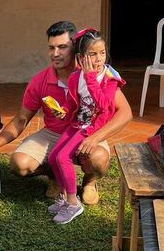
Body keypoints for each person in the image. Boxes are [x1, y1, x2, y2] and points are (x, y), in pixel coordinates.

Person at [0, 21, 132, 204]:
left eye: (62, 47)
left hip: (88, 130)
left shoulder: (96, 75)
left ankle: (90, 181)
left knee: (98, 158)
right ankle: (56, 177)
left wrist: (96, 137)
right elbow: (21, 119)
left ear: (76, 50)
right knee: (20, 163)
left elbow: (125, 113)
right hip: (54, 133)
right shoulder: (40, 81)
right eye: (51, 48)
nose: (55, 53)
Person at [48, 28, 125, 224]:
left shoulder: (108, 80)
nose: (99, 59)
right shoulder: (75, 77)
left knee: (64, 157)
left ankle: (74, 204)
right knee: (54, 155)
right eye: (93, 54)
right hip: (77, 124)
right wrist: (63, 110)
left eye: (102, 53)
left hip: (92, 128)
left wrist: (91, 78)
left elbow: (103, 105)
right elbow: (75, 102)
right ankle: (64, 198)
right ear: (81, 58)